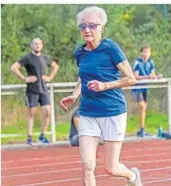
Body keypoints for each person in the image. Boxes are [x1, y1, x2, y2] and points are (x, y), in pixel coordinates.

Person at [60, 6, 142, 186]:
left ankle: (132, 176)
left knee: (111, 168)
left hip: (113, 111)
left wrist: (105, 85)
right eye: (83, 26)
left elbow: (131, 79)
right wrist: (74, 95)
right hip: (88, 113)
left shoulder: (110, 47)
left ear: (102, 27)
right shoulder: (79, 52)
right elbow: (84, 77)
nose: (87, 30)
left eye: (92, 25)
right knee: (87, 165)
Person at [11, 38, 59, 145]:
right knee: (31, 114)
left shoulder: (45, 58)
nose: (37, 45)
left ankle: (42, 135)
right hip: (32, 90)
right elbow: (14, 67)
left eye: (39, 44)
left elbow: (55, 66)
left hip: (44, 89)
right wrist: (24, 78)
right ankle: (29, 137)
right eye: (35, 44)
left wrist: (50, 77)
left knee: (47, 112)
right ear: (31, 45)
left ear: (42, 45)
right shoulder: (27, 58)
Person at [132, 46, 163, 137]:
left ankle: (142, 129)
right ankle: (141, 130)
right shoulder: (138, 62)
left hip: (145, 88)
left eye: (148, 52)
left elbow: (152, 74)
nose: (146, 54)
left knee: (144, 108)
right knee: (142, 106)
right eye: (144, 52)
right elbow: (136, 76)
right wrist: (147, 77)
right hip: (137, 88)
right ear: (141, 53)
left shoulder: (150, 62)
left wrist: (157, 76)